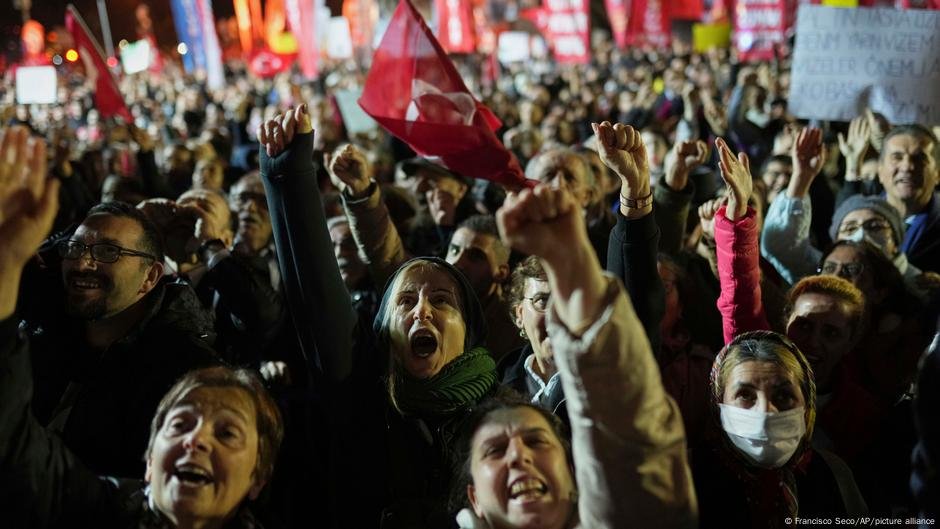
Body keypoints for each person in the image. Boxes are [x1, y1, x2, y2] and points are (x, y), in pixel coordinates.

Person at [0, 126, 283, 528]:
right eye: (77, 249)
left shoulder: (181, 372)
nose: (83, 263)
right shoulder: (43, 330)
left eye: (108, 252)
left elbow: (264, 317)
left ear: (151, 278)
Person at [258, 105, 498, 528]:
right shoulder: (361, 398)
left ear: (470, 329)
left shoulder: (503, 419)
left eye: (442, 300)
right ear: (384, 328)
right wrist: (288, 177)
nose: (421, 309)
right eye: (405, 302)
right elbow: (317, 297)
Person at [453, 135, 697, 529]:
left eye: (537, 441)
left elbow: (628, 427)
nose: (519, 458)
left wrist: (574, 265)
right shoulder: (488, 387)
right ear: (473, 497)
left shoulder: (599, 381)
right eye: (495, 450)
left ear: (572, 470)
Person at [327, 143, 523, 359]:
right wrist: (361, 190)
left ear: (501, 272)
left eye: (476, 256)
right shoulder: (427, 287)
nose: (458, 262)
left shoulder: (515, 327)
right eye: (454, 249)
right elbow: (387, 253)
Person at [693, 331, 867, 528]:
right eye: (745, 395)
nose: (766, 411)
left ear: (807, 406)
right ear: (718, 404)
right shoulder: (685, 478)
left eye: (783, 395)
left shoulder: (832, 474)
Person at [877, 125, 939, 273]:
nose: (907, 167)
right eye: (897, 157)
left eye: (920, 158)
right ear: (880, 171)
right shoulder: (856, 221)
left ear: (937, 173)